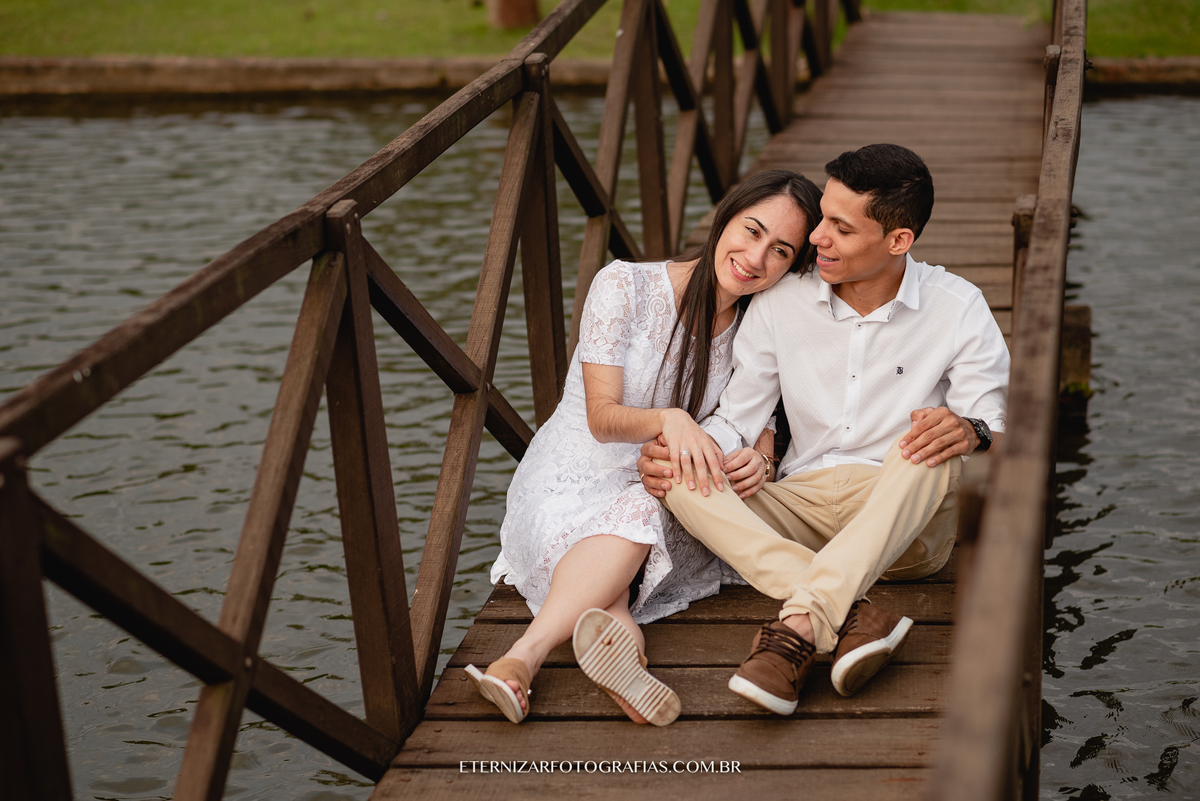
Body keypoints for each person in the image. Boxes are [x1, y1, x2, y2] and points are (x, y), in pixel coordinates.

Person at [638, 143, 1010, 715]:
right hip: (800, 507)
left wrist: (970, 430)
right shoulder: (781, 301)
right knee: (676, 473)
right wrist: (708, 450)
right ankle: (851, 612)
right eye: (821, 221)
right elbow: (739, 414)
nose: (815, 240)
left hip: (901, 520)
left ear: (898, 241)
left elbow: (995, 426)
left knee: (928, 444)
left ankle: (797, 629)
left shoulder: (957, 307)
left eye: (840, 227)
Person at [466, 169, 824, 726]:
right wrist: (671, 418)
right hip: (576, 473)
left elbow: (759, 408)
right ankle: (524, 657)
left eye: (780, 250)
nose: (755, 258)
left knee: (637, 518)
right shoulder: (624, 286)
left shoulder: (760, 324)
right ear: (726, 215)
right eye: (751, 231)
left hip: (660, 485)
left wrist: (764, 453)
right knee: (629, 523)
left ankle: (558, 665)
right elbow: (602, 417)